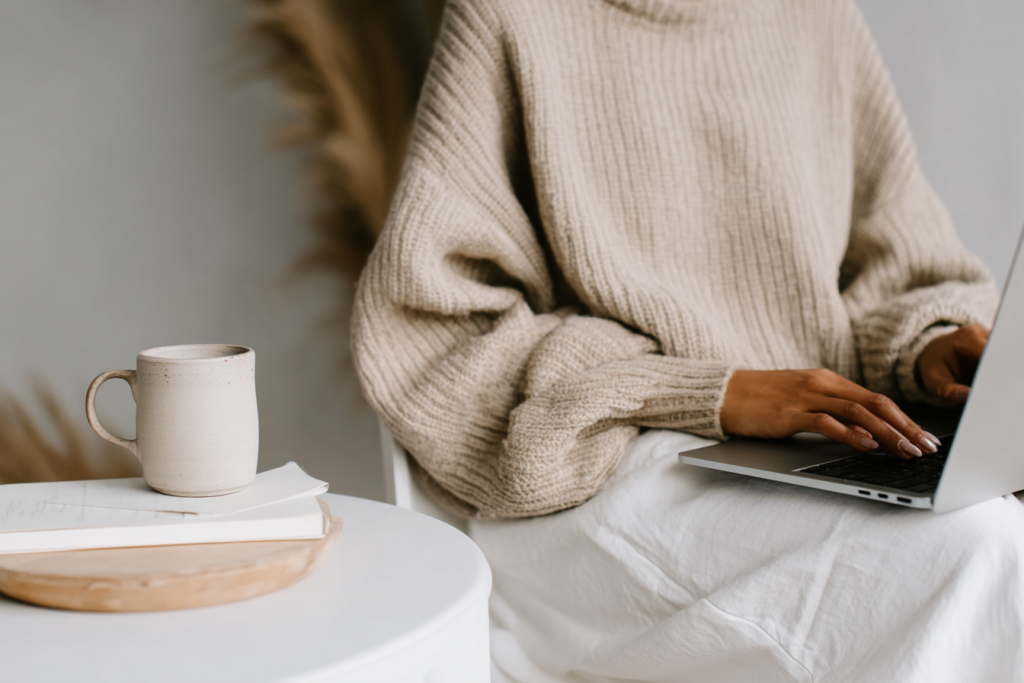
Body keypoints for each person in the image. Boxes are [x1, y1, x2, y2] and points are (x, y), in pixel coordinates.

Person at [352, 0, 1024, 680]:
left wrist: (925, 343)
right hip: (601, 465)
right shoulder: (512, 17)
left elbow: (895, 261)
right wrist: (710, 392)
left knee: (989, 538)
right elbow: (435, 333)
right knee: (979, 552)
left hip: (811, 449)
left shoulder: (817, 15)